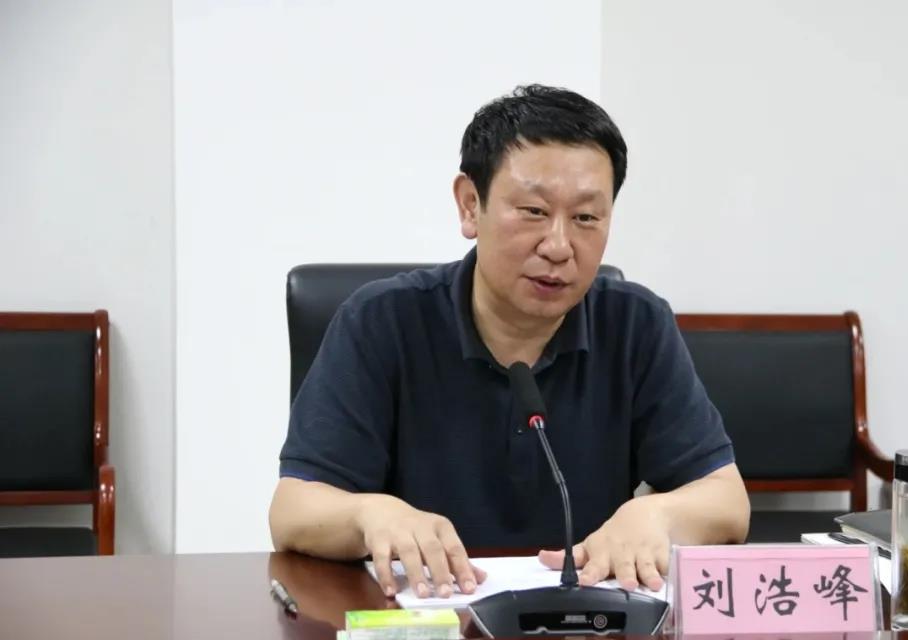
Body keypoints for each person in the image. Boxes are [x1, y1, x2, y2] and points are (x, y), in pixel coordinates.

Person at [269, 84, 749, 601]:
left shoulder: (636, 324)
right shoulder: (381, 321)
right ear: (469, 205)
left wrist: (657, 514)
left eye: (586, 218)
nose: (559, 246)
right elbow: (292, 511)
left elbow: (727, 502)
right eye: (533, 211)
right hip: (426, 625)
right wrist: (370, 514)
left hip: (586, 629)